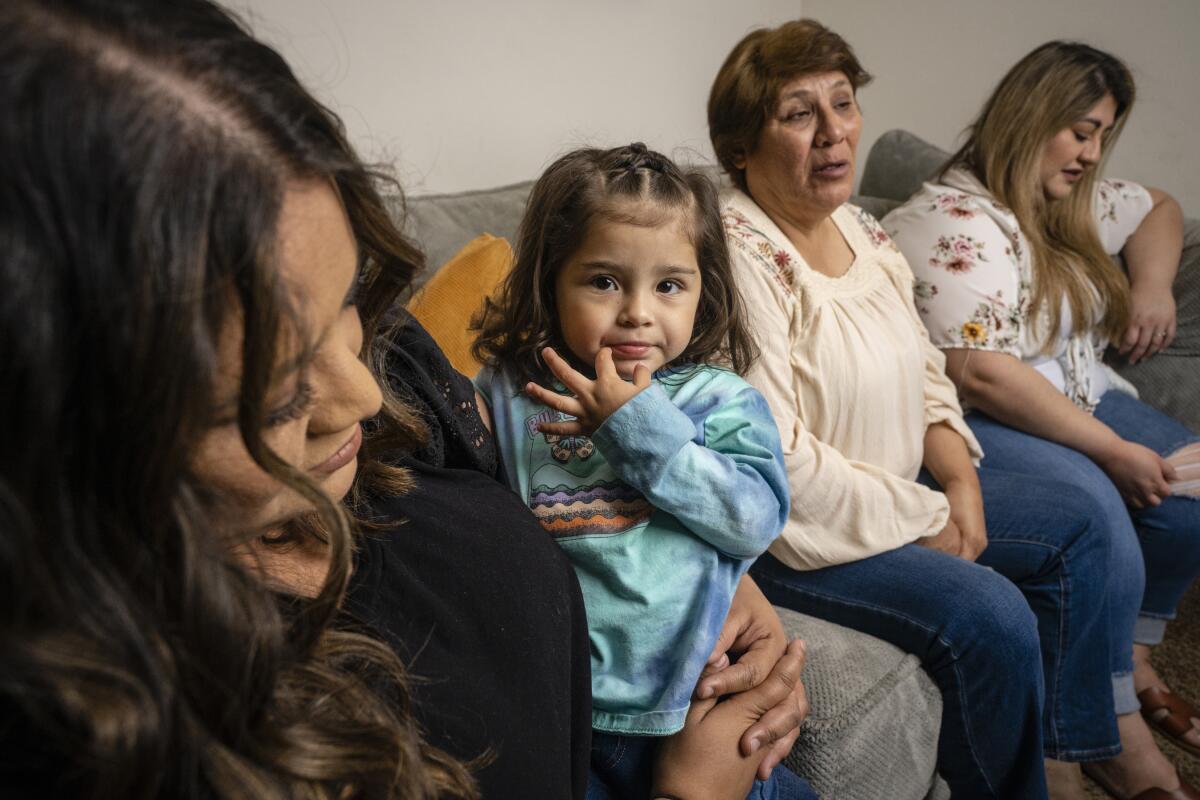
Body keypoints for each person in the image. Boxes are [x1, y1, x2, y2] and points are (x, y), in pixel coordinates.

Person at [0, 1, 811, 798]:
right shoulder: (155, 726)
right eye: (279, 393)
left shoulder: (407, 382)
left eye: (353, 302)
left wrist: (720, 581)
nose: (363, 396)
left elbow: (709, 508)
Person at [706, 19, 1136, 800]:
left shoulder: (860, 228)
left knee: (1076, 522)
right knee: (992, 616)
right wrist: (922, 515)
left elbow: (928, 372)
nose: (835, 132)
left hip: (898, 491)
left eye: (843, 103)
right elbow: (780, 462)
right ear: (740, 145)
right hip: (798, 536)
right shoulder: (737, 255)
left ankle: (1073, 753)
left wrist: (959, 482)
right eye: (799, 114)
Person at [885, 40, 1200, 800]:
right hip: (988, 415)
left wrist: (1153, 286)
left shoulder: (1063, 201)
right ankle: (1098, 734)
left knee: (1191, 496)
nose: (1093, 154)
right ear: (1033, 118)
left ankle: (1129, 656)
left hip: (1089, 392)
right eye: (1082, 131)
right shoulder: (949, 222)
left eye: (1102, 136)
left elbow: (1158, 204)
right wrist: (1116, 451)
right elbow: (987, 375)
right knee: (1102, 519)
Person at [472, 143, 812, 800]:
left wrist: (639, 432)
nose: (636, 311)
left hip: (689, 711)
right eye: (603, 281)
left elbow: (752, 521)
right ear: (550, 281)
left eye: (668, 285)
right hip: (563, 710)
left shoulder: (719, 400)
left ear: (702, 291)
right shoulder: (510, 397)